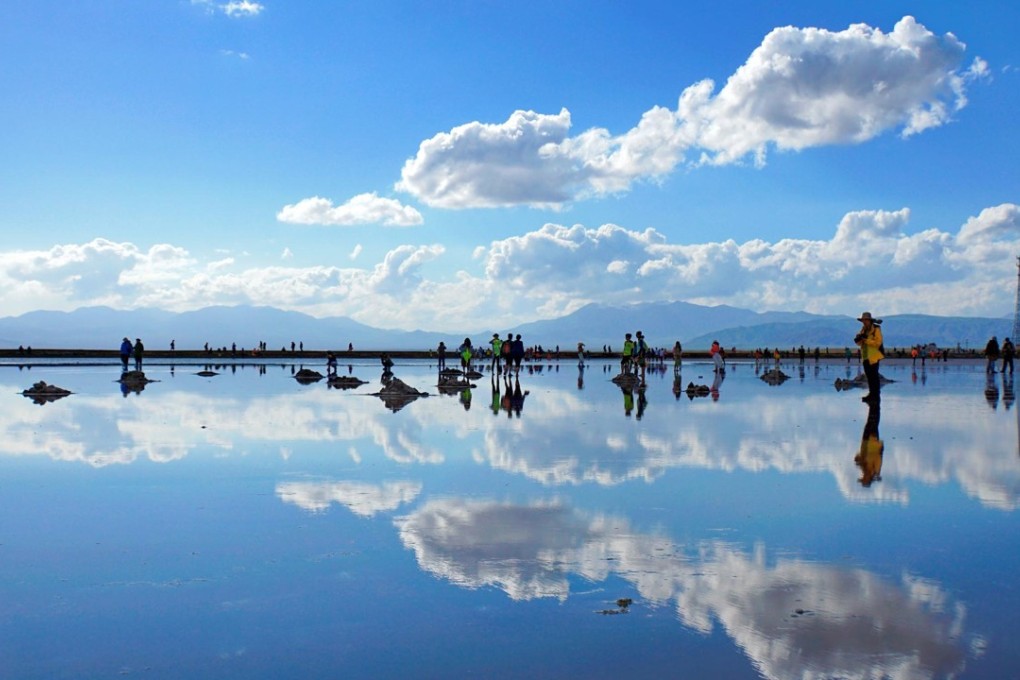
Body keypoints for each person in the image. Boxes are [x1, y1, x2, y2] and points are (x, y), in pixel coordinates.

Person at [854, 312, 884, 402]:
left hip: (874, 357)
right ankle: (872, 395)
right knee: (869, 377)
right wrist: (859, 339)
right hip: (865, 357)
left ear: (869, 320)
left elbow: (878, 342)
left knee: (874, 377)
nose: (864, 322)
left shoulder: (876, 329)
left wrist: (866, 340)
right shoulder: (863, 330)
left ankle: (875, 395)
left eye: (865, 320)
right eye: (863, 321)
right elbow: (859, 343)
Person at [854, 400, 883, 487]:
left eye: (862, 478)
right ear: (868, 479)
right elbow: (879, 455)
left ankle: (874, 402)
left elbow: (858, 457)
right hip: (872, 443)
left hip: (866, 442)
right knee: (873, 420)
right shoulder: (875, 470)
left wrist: (859, 462)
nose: (863, 477)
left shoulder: (865, 469)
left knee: (871, 421)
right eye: (864, 479)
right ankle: (874, 402)